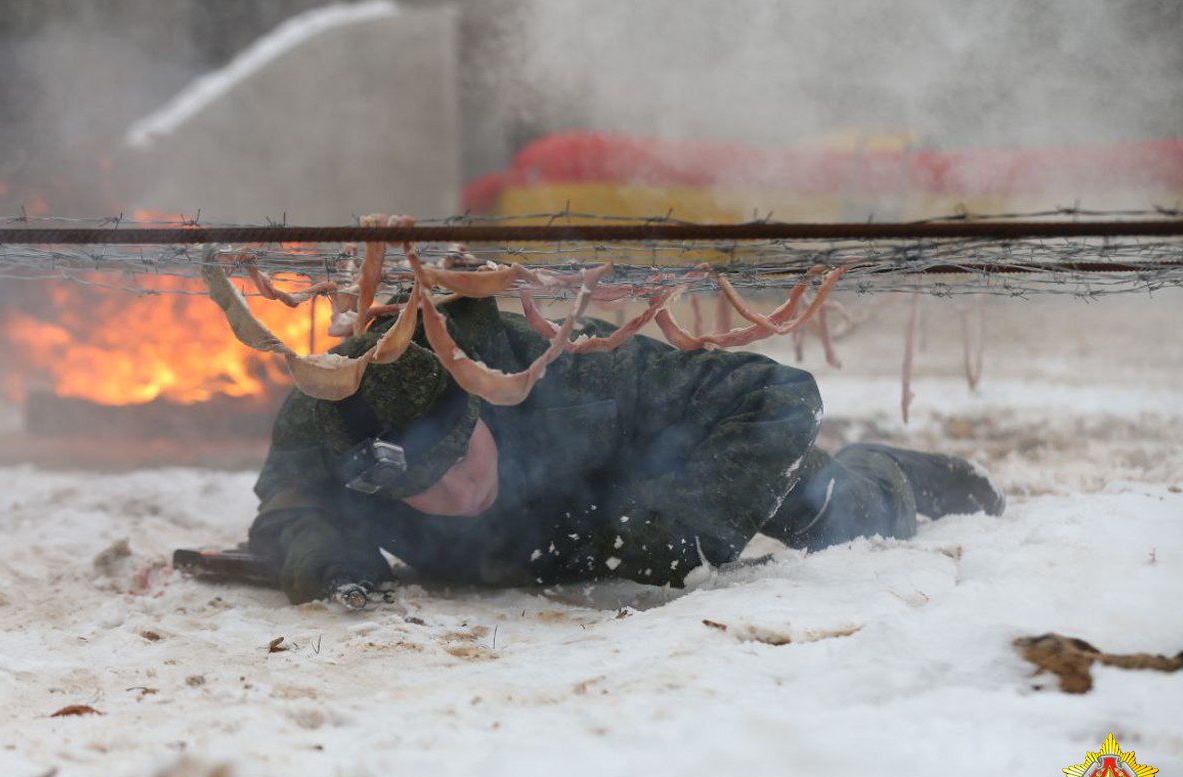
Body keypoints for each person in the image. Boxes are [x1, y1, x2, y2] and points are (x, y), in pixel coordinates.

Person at [248, 295, 1004, 607]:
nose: (458, 493)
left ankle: (889, 469)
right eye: (421, 487)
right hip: (547, 556)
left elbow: (778, 396)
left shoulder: (572, 370)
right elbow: (289, 501)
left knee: (837, 513)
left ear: (481, 404)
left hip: (681, 474)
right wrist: (323, 550)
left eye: (459, 458)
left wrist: (674, 521)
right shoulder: (327, 412)